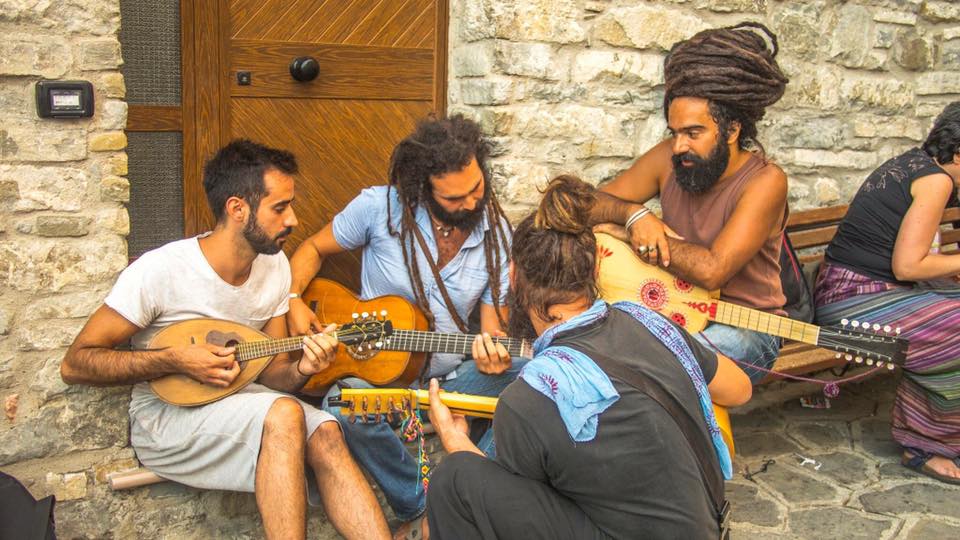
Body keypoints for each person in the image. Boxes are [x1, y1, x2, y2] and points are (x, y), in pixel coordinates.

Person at [60, 140, 391, 540]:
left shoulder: (274, 268)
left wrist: (304, 367)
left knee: (325, 432)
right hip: (167, 418)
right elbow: (76, 362)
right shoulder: (161, 270)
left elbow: (273, 376)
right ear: (238, 209)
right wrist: (175, 360)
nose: (294, 220)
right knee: (286, 414)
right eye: (280, 208)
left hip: (245, 401)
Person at [424, 175, 752, 539]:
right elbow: (739, 390)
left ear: (513, 278)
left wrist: (456, 443)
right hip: (704, 531)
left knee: (455, 480)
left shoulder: (530, 396)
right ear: (596, 267)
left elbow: (514, 509)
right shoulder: (648, 323)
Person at [286, 114, 519, 537]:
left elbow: (493, 330)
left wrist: (494, 355)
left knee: (531, 377)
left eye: (477, 188)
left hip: (450, 380)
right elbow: (312, 248)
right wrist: (293, 300)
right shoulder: (379, 207)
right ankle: (421, 503)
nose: (470, 203)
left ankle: (461, 489)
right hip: (377, 381)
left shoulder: (497, 233)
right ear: (420, 190)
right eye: (454, 198)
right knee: (341, 404)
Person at [590, 23, 791, 383]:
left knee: (658, 370)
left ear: (731, 131)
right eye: (675, 132)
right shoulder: (669, 157)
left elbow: (714, 269)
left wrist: (629, 234)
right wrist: (634, 214)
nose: (680, 145)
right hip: (673, 310)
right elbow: (588, 203)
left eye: (693, 133)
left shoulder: (766, 181)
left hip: (747, 326)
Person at [814, 103, 960, 484]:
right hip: (853, 302)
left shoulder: (917, 164)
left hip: (854, 290)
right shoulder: (936, 181)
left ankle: (933, 431)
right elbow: (908, 266)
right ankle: (926, 442)